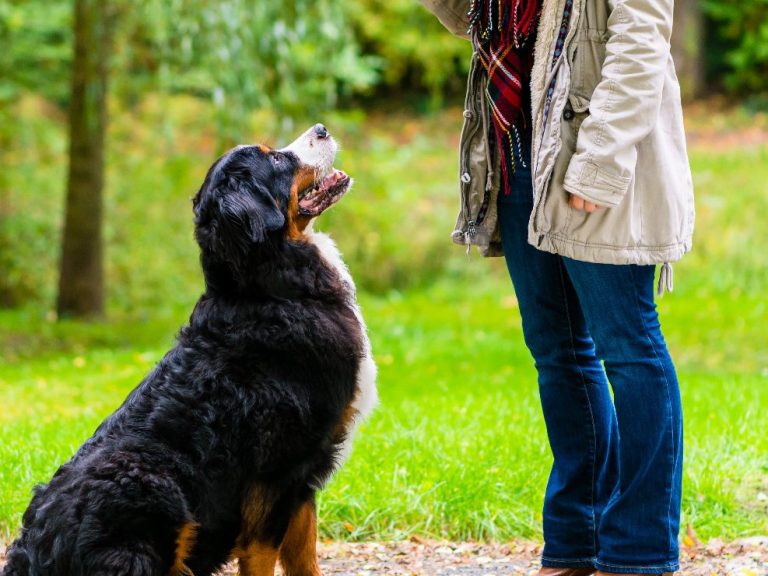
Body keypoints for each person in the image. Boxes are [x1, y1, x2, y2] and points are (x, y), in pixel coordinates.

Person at [419, 0, 694, 574]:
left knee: (630, 349)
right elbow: (467, 15)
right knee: (559, 353)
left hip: (591, 156)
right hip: (519, 154)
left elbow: (641, 38)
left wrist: (601, 158)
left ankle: (640, 549)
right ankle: (577, 538)